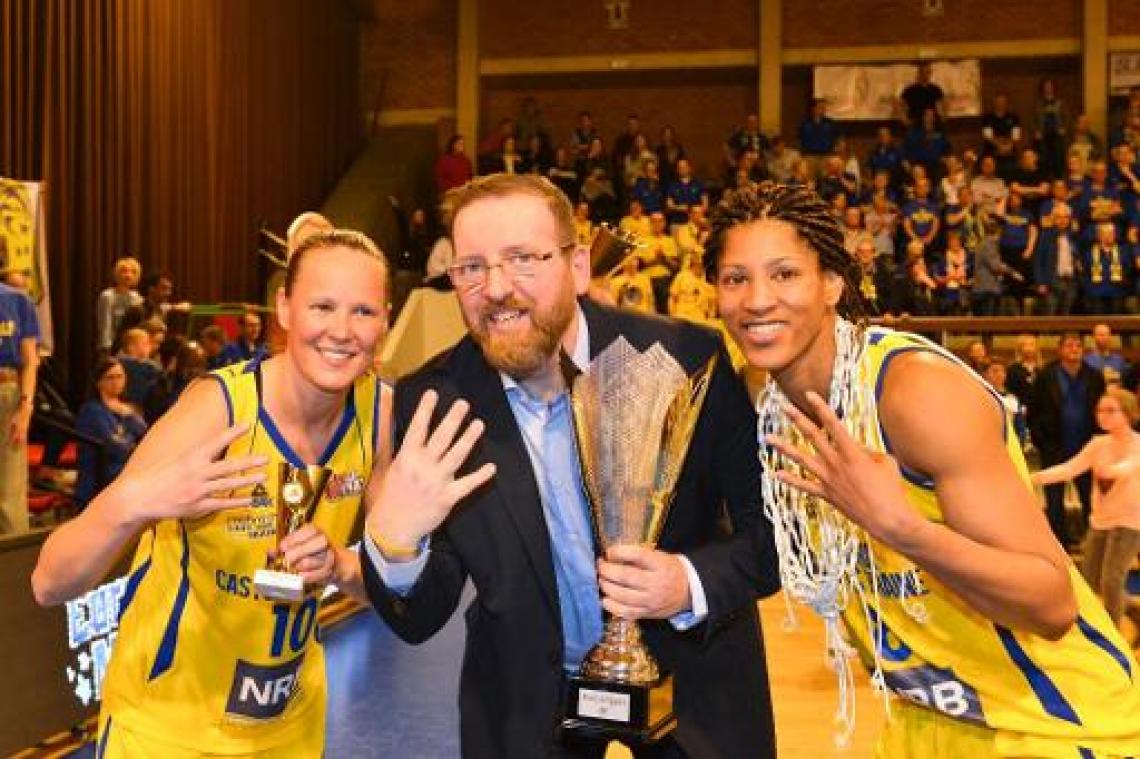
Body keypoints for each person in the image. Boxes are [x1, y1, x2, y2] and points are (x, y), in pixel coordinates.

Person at [708, 182, 1140, 758]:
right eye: (736, 278)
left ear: (832, 284)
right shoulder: (771, 412)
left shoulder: (913, 393)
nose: (758, 299)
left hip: (1052, 723)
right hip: (925, 722)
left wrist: (904, 529)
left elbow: (1050, 603)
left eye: (784, 274)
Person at [361, 173, 779, 758]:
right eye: (471, 267)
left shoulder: (687, 361)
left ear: (578, 265)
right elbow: (419, 617)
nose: (496, 288)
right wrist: (396, 546)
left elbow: (770, 540)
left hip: (693, 689)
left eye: (522, 259)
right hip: (526, 700)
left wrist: (686, 584)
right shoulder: (433, 402)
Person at [31, 230, 482, 756]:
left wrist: (338, 565)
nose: (341, 330)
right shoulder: (215, 410)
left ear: (385, 319)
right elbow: (48, 584)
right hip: (168, 728)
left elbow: (387, 594)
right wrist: (136, 503)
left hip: (288, 728)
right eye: (323, 306)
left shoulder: (377, 414)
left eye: (362, 311)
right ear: (285, 309)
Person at [1032, 387, 1140, 628]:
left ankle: (1112, 634)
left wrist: (1112, 471)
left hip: (1130, 523)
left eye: (1111, 410)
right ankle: (1132, 607)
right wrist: (1035, 478)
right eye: (1100, 410)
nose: (1102, 415)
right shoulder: (1098, 444)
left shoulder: (1138, 445)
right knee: (1089, 581)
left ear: (1128, 413)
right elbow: (1069, 469)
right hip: (1100, 521)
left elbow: (1129, 466)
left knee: (1112, 580)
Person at [1029, 332, 1107, 548]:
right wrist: (1041, 440)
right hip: (1054, 446)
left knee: (1091, 498)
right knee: (1054, 500)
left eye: (1078, 346)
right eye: (1069, 346)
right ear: (1060, 350)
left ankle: (1092, 542)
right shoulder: (1046, 375)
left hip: (1087, 446)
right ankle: (1059, 544)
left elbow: (1102, 409)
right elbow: (1034, 411)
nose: (1074, 349)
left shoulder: (1094, 376)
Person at [74, 358, 149, 509]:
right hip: (103, 477)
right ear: (99, 382)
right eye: (110, 377)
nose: (116, 382)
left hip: (127, 472)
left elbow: (145, 436)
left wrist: (129, 417)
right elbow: (116, 447)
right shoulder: (92, 410)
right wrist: (133, 443)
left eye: (120, 376)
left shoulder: (129, 409)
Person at [0, 265, 40, 534]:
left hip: (8, 393)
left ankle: (13, 570)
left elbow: (30, 361)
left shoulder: (17, 300)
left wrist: (25, 408)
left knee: (10, 492)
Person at [95, 257, 143, 355]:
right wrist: (106, 348)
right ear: (117, 274)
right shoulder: (108, 296)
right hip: (112, 346)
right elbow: (105, 324)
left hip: (131, 346)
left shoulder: (136, 297)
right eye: (124, 271)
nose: (128, 275)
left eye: (133, 272)